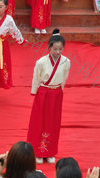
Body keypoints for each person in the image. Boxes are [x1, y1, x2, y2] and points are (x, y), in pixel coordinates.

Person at [27, 31, 70, 164]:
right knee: (39, 120)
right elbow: (36, 77)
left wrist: (59, 91)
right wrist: (34, 91)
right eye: (55, 49)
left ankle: (50, 151)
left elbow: (65, 78)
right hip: (43, 92)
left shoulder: (66, 62)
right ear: (49, 47)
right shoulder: (41, 62)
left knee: (53, 122)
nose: (57, 52)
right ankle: (38, 151)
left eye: (60, 49)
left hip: (56, 93)